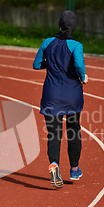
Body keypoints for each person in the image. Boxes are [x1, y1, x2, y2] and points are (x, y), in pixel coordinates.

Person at [33, 10, 88, 189]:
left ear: (59, 25)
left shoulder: (47, 42)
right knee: (73, 129)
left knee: (54, 133)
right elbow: (79, 64)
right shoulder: (76, 45)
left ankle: (54, 164)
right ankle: (74, 169)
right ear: (73, 27)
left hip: (51, 95)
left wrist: (51, 63)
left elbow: (36, 64)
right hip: (72, 95)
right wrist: (83, 76)